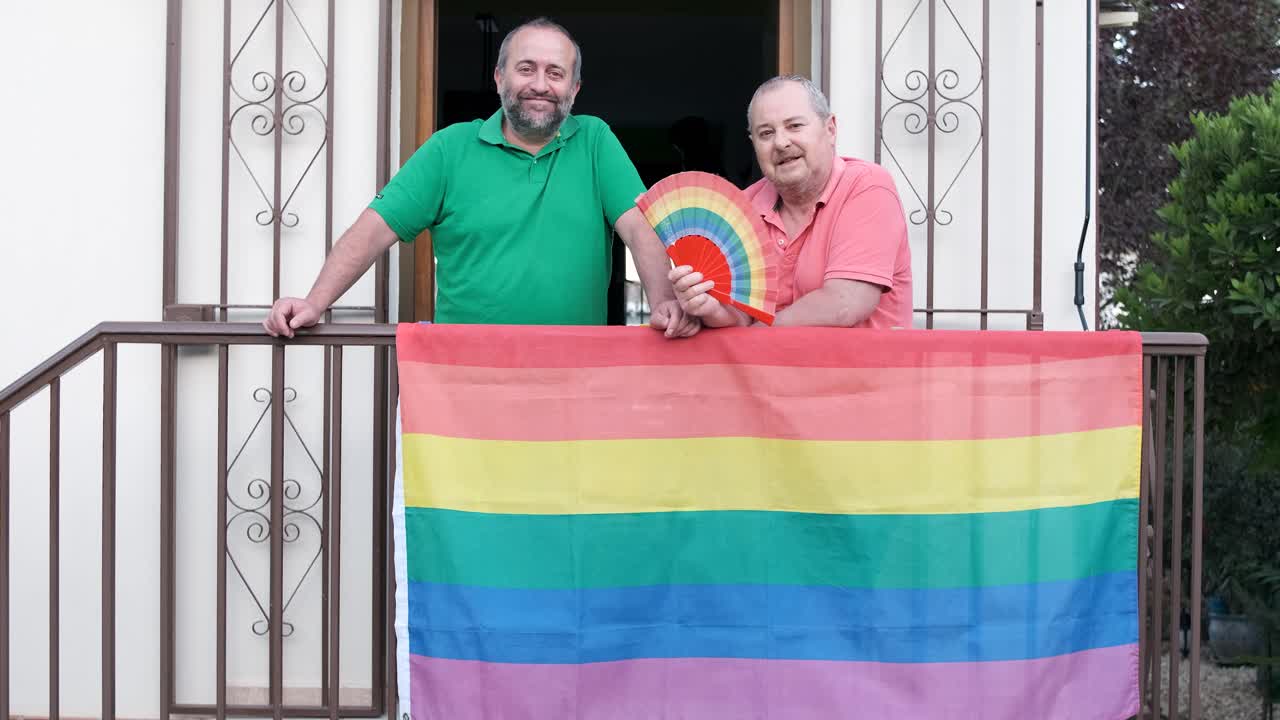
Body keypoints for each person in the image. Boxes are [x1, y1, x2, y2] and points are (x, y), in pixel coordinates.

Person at [264, 18, 698, 338]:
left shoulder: (596, 141)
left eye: (555, 73)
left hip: (572, 373)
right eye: (526, 68)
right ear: (499, 77)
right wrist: (315, 301)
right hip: (467, 376)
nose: (540, 84)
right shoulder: (450, 148)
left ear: (574, 89)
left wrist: (662, 303)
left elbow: (640, 227)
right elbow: (375, 229)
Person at [669, 75, 913, 329]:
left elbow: (844, 303)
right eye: (766, 133)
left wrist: (754, 336)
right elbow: (740, 313)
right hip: (769, 369)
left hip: (864, 368)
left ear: (830, 129)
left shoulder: (868, 186)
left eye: (795, 126)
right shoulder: (743, 208)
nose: (781, 142)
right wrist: (710, 310)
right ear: (754, 144)